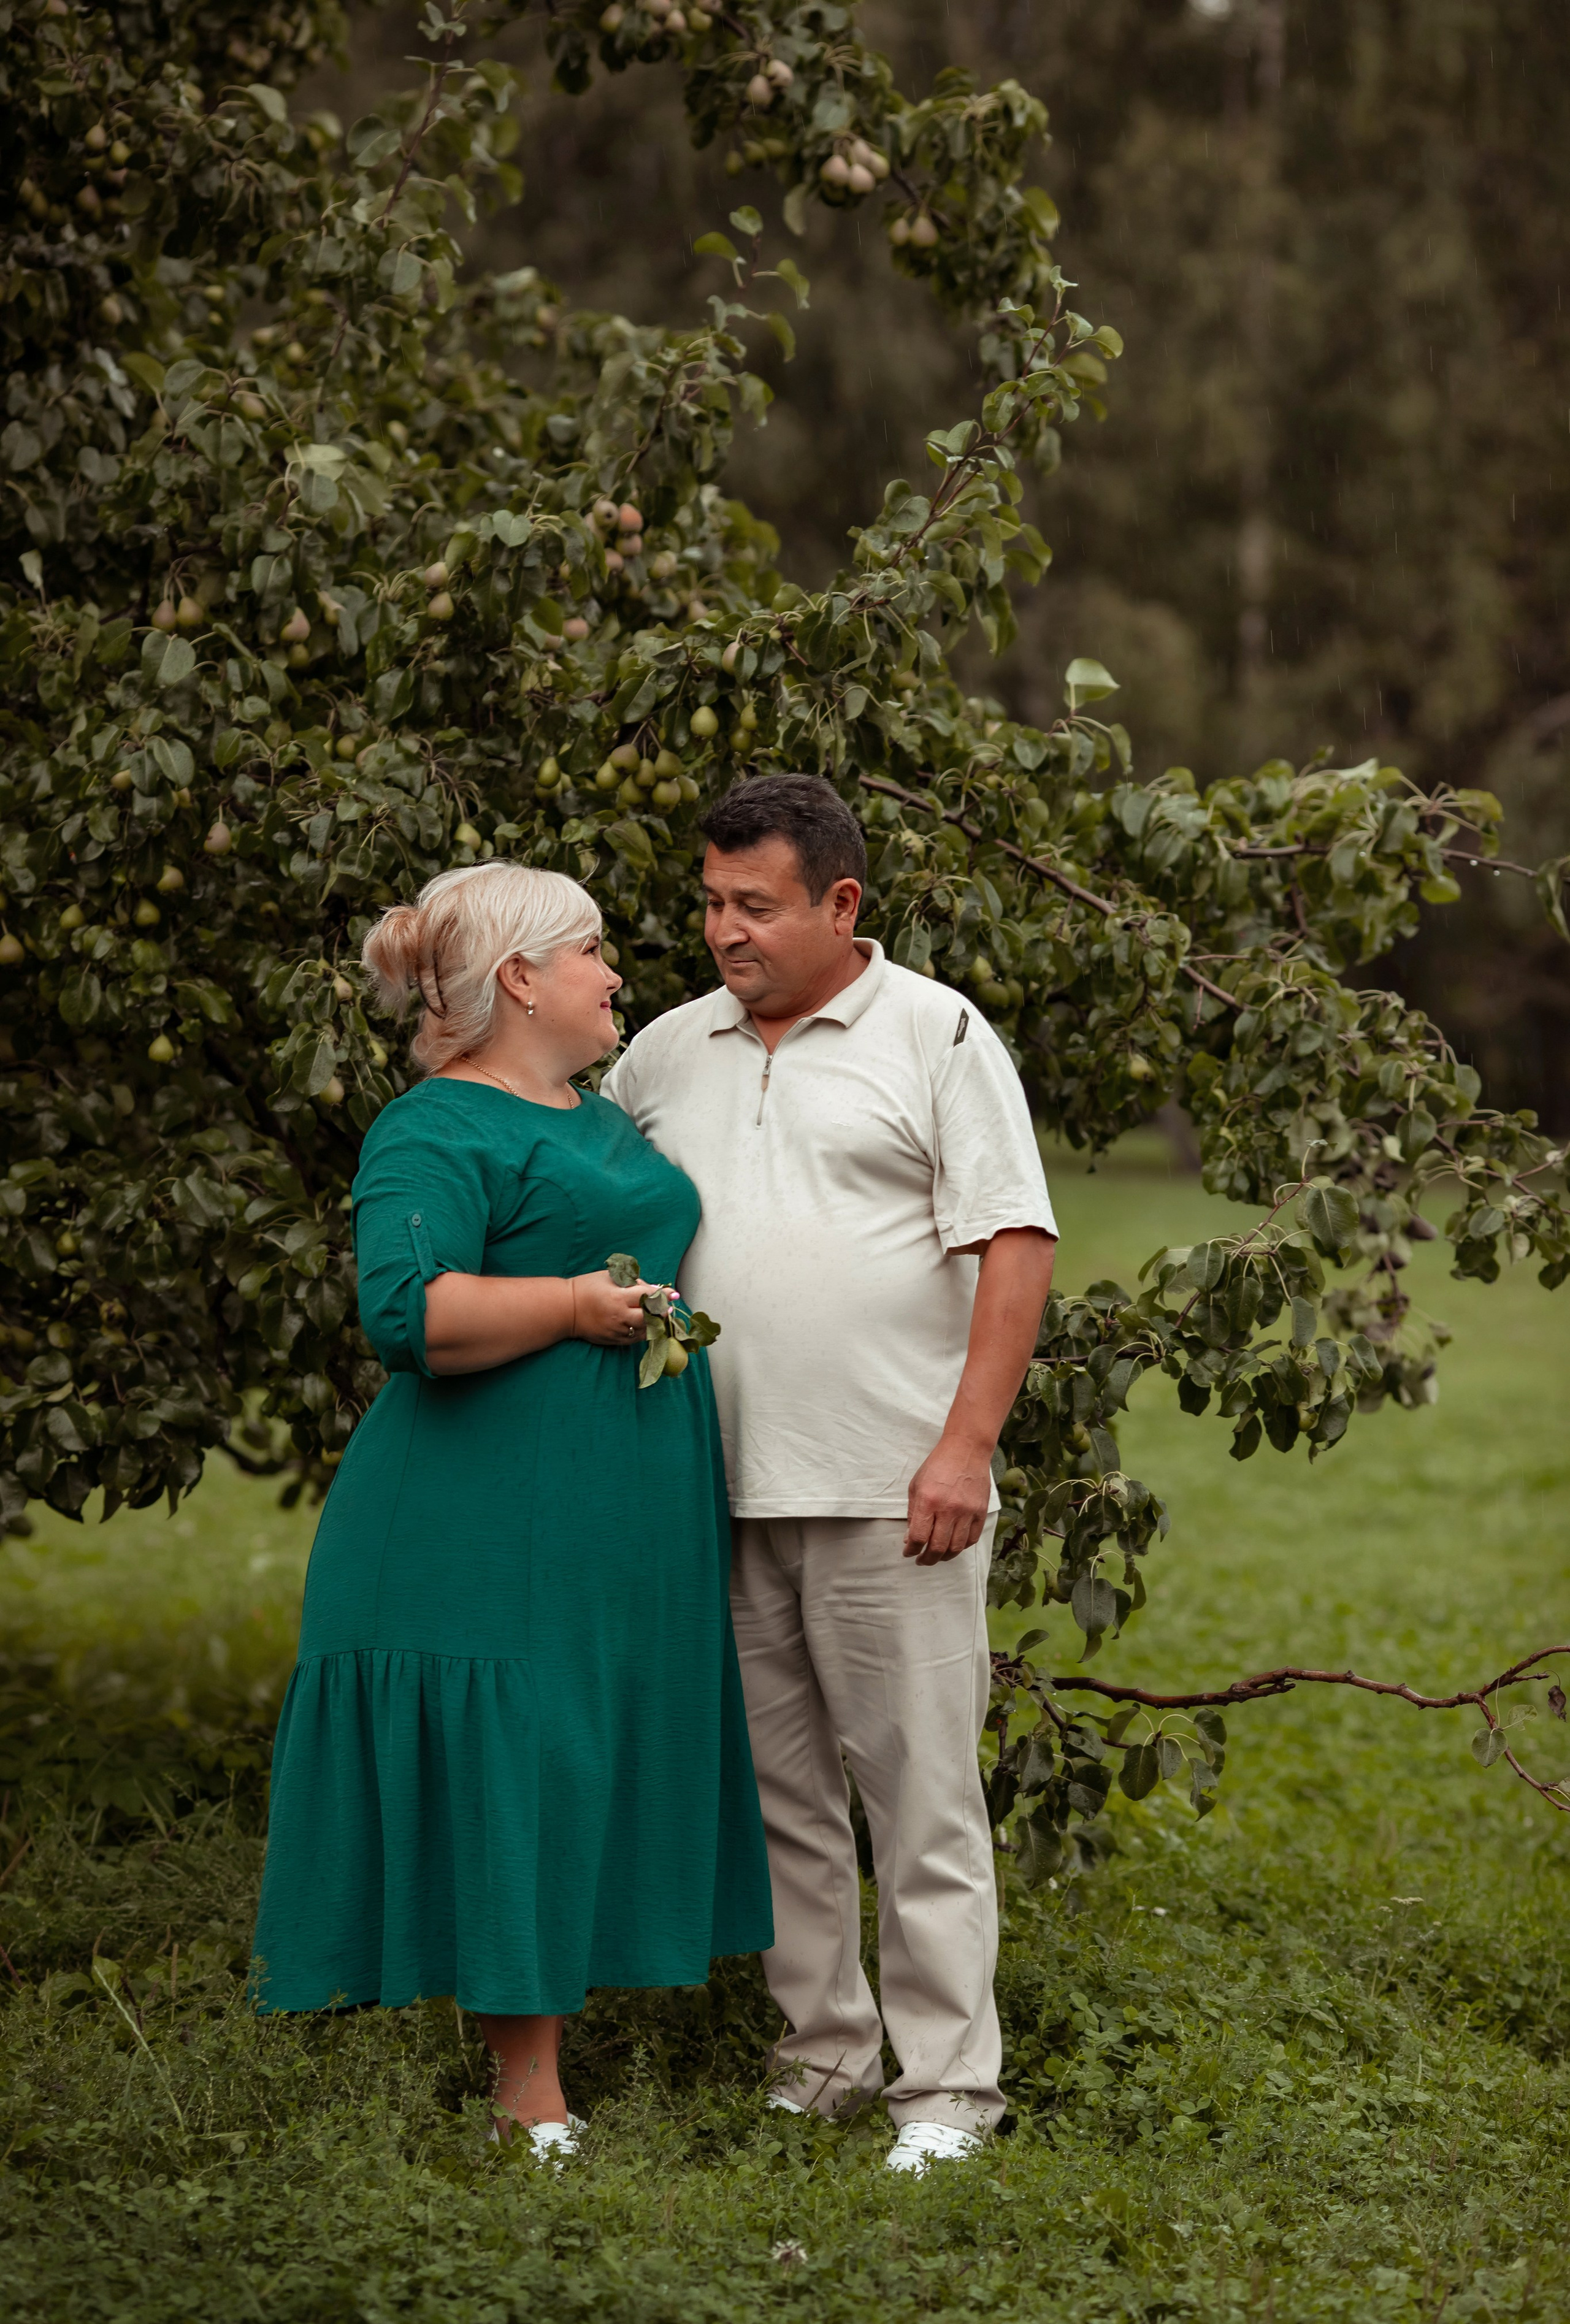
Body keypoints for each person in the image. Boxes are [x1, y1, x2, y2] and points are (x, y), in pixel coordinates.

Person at [250, 862, 772, 2158]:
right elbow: (405, 1311)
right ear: (521, 978)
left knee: (584, 1744)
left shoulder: (598, 1115)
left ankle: (581, 2044)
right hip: (478, 1512)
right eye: (592, 951)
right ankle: (524, 2092)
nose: (617, 974)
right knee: (523, 1757)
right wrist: (574, 1306)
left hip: (617, 1504)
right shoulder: (434, 1129)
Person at [601, 773, 1056, 2173]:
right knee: (780, 1796)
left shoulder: (933, 1031)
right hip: (712, 1485)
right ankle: (825, 2057)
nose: (722, 929)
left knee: (917, 1796)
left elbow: (1013, 1240)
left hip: (888, 1484)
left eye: (756, 904)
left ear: (840, 902)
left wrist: (963, 1447)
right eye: (708, 901)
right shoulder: (666, 1052)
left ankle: (946, 2092)